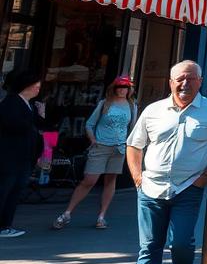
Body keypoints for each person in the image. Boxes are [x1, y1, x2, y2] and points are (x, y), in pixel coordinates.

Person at [127, 61, 207, 264]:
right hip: (151, 189)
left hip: (188, 188)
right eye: (180, 79)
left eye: (191, 78)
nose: (185, 83)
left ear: (200, 82)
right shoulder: (153, 110)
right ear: (170, 82)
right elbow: (134, 144)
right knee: (149, 247)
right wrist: (138, 177)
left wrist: (204, 178)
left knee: (181, 244)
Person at [54, 76, 138, 230]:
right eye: (119, 87)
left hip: (119, 148)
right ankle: (67, 213)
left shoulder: (132, 106)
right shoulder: (104, 103)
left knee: (110, 181)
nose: (121, 90)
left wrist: (128, 144)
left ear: (129, 89)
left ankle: (102, 216)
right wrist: (93, 140)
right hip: (101, 146)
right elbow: (90, 124)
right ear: (114, 88)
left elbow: (132, 128)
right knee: (89, 180)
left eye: (125, 87)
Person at [0, 69, 44, 239]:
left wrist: (40, 116)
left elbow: (40, 126)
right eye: (35, 85)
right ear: (25, 86)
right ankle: (3, 225)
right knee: (5, 190)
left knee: (14, 191)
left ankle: (6, 224)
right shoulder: (11, 103)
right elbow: (14, 126)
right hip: (10, 156)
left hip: (23, 157)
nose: (38, 88)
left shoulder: (28, 105)